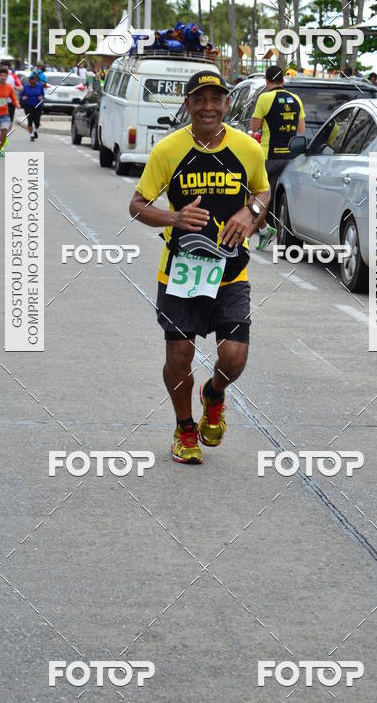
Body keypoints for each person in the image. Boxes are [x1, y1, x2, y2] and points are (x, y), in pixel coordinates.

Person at [129, 70, 270, 465]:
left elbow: (262, 190)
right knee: (179, 356)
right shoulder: (169, 150)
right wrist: (173, 219)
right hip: (181, 272)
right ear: (188, 104)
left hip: (231, 271)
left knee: (234, 357)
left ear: (226, 104)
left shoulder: (248, 148)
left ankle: (214, 395)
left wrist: (249, 212)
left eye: (216, 99)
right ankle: (184, 427)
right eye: (200, 99)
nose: (209, 106)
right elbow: (137, 204)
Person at [250, 64, 305, 250]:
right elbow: (301, 129)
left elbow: (255, 127)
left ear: (267, 81)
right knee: (272, 195)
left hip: (268, 155)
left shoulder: (265, 98)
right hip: (290, 156)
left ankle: (256, 233)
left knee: (258, 195)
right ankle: (265, 229)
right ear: (283, 80)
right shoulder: (296, 99)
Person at [20, 73, 44, 141]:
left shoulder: (39, 86)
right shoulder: (26, 87)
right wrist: (23, 98)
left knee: (37, 121)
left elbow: (43, 94)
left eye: (34, 81)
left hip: (38, 105)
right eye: (31, 81)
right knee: (30, 120)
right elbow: (22, 96)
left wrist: (41, 97)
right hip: (28, 105)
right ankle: (31, 135)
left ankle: (35, 130)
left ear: (36, 81)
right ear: (29, 81)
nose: (32, 83)